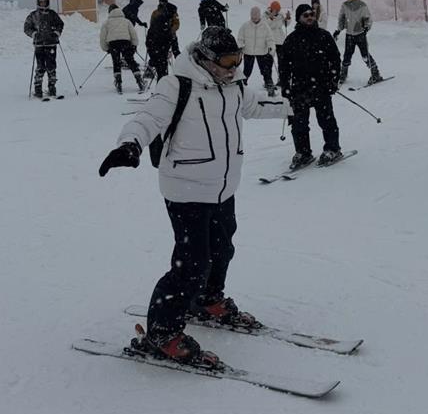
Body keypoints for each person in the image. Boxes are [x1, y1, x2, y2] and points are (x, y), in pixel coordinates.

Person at [98, 27, 288, 366]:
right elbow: (148, 118)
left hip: (223, 189)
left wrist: (294, 104)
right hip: (185, 189)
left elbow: (257, 106)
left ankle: (207, 300)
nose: (234, 67)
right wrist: (130, 145)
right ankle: (162, 331)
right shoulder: (176, 85)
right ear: (206, 58)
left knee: (222, 250)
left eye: (238, 59)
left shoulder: (233, 86)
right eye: (227, 61)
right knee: (192, 263)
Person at [280, 3, 342, 167]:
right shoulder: (291, 40)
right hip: (299, 89)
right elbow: (284, 66)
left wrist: (333, 80)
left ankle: (333, 149)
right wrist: (285, 87)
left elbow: (335, 59)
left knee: (326, 120)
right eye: (305, 15)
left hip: (322, 86)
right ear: (299, 18)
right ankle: (303, 152)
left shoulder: (324, 36)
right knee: (298, 124)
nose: (309, 17)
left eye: (311, 14)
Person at [334, 0, 382, 86]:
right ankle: (343, 74)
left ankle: (375, 73)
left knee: (365, 55)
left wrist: (366, 27)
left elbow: (368, 18)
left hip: (360, 34)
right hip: (350, 35)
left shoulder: (362, 5)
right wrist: (338, 30)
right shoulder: (345, 5)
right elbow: (341, 18)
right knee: (347, 55)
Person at [23, 0, 64, 98]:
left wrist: (56, 33)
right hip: (39, 45)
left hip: (51, 44)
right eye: (41, 2)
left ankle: (52, 88)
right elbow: (26, 28)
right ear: (38, 3)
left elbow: (60, 24)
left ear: (47, 2)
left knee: (51, 67)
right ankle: (38, 89)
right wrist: (33, 34)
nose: (42, 3)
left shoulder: (52, 14)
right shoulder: (33, 15)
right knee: (40, 67)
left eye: (44, 2)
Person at [100, 4, 145, 94]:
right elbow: (133, 34)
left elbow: (102, 37)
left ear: (110, 12)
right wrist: (134, 45)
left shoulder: (106, 23)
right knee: (130, 60)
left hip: (113, 44)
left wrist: (106, 48)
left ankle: (118, 82)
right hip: (125, 42)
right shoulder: (126, 21)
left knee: (116, 62)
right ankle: (139, 79)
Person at [237, 6, 276, 95]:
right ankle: (242, 86)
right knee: (247, 70)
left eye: (256, 16)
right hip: (248, 52)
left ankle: (269, 85)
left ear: (259, 15)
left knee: (265, 70)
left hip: (262, 52)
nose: (254, 18)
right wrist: (240, 45)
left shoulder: (265, 26)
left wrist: (271, 47)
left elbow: (270, 39)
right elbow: (240, 38)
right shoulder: (245, 26)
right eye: (253, 16)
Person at [145, 0, 179, 81]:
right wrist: (175, 51)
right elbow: (170, 37)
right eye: (173, 13)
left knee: (162, 75)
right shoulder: (163, 22)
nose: (174, 15)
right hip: (160, 52)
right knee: (163, 76)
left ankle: (152, 68)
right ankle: (161, 87)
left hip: (158, 51)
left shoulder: (161, 19)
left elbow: (150, 37)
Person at [264, 1, 291, 72]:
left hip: (280, 40)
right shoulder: (265, 14)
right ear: (272, 9)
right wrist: (271, 18)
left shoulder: (280, 14)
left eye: (279, 10)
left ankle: (281, 75)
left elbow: (286, 24)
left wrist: (287, 18)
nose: (278, 11)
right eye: (276, 10)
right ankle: (268, 76)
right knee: (269, 61)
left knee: (282, 60)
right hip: (270, 39)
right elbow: (264, 25)